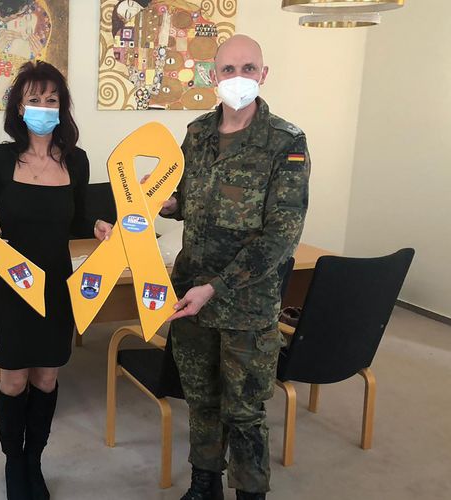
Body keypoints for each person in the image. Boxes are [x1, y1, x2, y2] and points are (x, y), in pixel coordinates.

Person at [155, 35, 311, 500]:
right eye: (228, 69)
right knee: (201, 401)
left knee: (244, 414)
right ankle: (204, 487)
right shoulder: (197, 133)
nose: (237, 77)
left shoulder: (286, 142)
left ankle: (250, 494)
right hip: (190, 299)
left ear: (263, 74)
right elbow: (188, 201)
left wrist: (216, 287)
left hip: (246, 305)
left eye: (248, 68)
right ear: (212, 76)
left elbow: (280, 238)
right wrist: (158, 204)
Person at [0, 61, 113, 500]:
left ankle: (34, 460)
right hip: (13, 285)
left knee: (47, 380)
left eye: (51, 100)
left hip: (56, 286)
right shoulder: (0, 158)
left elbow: (79, 217)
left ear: (62, 107)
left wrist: (99, 227)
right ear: (19, 105)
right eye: (34, 99)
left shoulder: (76, 159)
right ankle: (13, 464)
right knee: (14, 380)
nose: (42, 107)